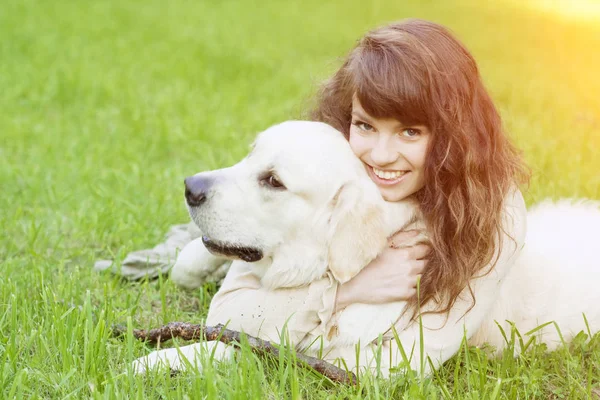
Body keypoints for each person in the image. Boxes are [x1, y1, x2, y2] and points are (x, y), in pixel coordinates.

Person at [206, 18, 529, 373]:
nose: (380, 155)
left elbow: (409, 361)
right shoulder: (328, 159)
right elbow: (224, 318)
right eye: (365, 125)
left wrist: (296, 342)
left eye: (410, 132)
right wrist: (348, 291)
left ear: (454, 137)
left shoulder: (494, 214)